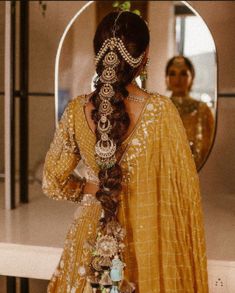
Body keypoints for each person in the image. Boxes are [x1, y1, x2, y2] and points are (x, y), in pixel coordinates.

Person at [42, 11, 209, 293]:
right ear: (144, 58)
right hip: (147, 238)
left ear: (99, 57)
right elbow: (183, 194)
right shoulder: (161, 112)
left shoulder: (75, 111)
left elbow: (52, 182)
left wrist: (93, 188)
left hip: (91, 235)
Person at [165, 55, 214, 170]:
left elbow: (208, 148)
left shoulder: (203, 110)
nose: (177, 79)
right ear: (166, 78)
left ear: (192, 77)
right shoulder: (160, 108)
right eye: (172, 73)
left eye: (183, 74)